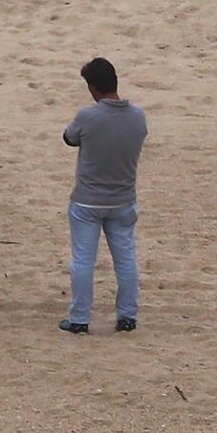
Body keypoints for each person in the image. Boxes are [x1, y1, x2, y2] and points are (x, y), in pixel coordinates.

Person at [60, 56, 148, 334]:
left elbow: (69, 137)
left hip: (88, 199)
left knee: (83, 260)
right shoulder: (137, 116)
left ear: (93, 87)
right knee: (125, 258)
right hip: (122, 199)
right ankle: (127, 316)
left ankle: (79, 318)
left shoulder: (88, 116)